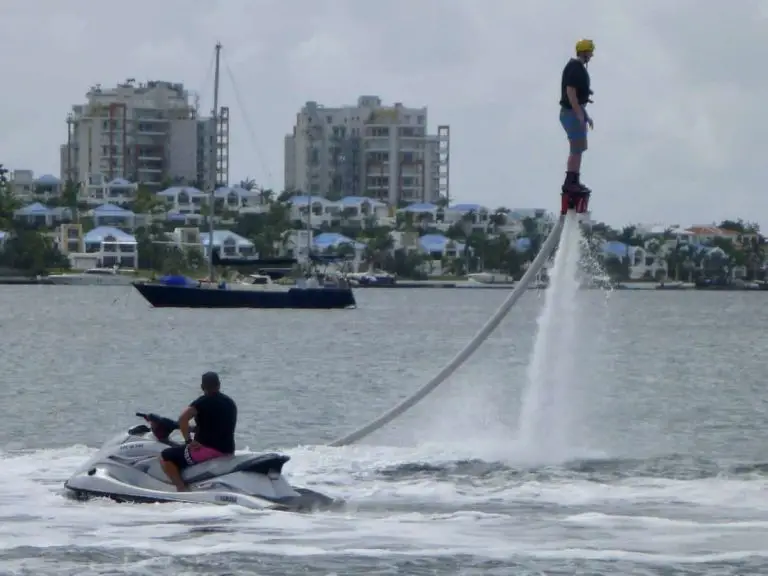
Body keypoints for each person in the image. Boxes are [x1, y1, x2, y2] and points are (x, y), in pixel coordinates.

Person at [159, 371, 238, 492]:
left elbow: (182, 419)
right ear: (219, 385)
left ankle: (181, 488)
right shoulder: (230, 402)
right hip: (228, 450)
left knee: (165, 456)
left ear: (202, 387)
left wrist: (188, 440)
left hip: (208, 450)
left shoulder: (202, 402)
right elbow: (215, 425)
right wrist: (190, 429)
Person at [560, 38, 595, 202]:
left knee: (579, 148)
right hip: (570, 112)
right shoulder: (575, 67)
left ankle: (574, 179)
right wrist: (578, 113)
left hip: (575, 111)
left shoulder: (578, 67)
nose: (592, 55)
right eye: (590, 51)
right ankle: (570, 182)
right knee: (576, 148)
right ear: (584, 52)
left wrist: (585, 115)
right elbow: (570, 91)